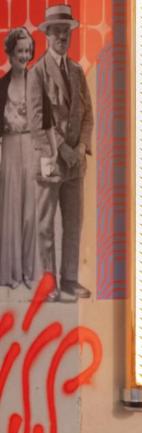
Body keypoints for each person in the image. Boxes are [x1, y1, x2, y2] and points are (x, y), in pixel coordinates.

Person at [29, 4, 93, 301]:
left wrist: (80, 146)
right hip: (51, 161)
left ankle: (68, 279)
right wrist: (63, 149)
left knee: (73, 224)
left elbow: (88, 114)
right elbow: (38, 120)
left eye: (65, 32)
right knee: (46, 225)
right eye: (56, 32)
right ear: (47, 35)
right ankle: (47, 283)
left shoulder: (78, 71)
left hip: (75, 164)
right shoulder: (37, 73)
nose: (61, 38)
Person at [0, 27, 38, 290]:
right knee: (11, 207)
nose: (23, 56)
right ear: (10, 53)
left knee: (30, 211)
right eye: (19, 51)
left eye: (27, 51)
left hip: (32, 147)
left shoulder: (37, 83)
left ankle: (29, 272)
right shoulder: (1, 86)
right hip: (10, 147)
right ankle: (11, 273)